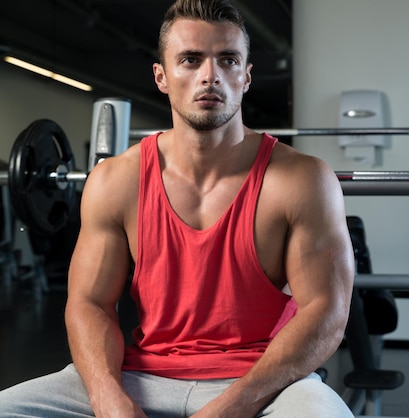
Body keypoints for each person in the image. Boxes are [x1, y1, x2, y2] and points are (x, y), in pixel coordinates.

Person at [0, 0, 355, 416]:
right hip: (141, 375)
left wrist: (234, 405)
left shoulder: (302, 179)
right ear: (162, 76)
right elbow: (89, 303)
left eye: (228, 60)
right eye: (190, 60)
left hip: (262, 382)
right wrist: (107, 396)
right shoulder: (117, 180)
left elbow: (325, 312)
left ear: (246, 76)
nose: (210, 75)